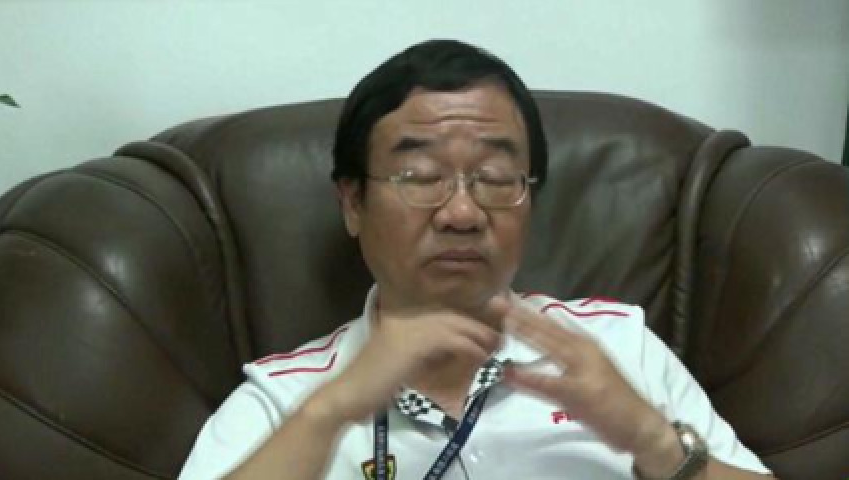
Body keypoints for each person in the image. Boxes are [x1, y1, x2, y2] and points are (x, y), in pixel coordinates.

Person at [179, 40, 775, 480]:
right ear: (353, 203)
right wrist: (330, 414)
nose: (462, 212)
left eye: (494, 178)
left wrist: (654, 442)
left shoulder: (620, 347)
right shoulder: (284, 400)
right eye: (420, 177)